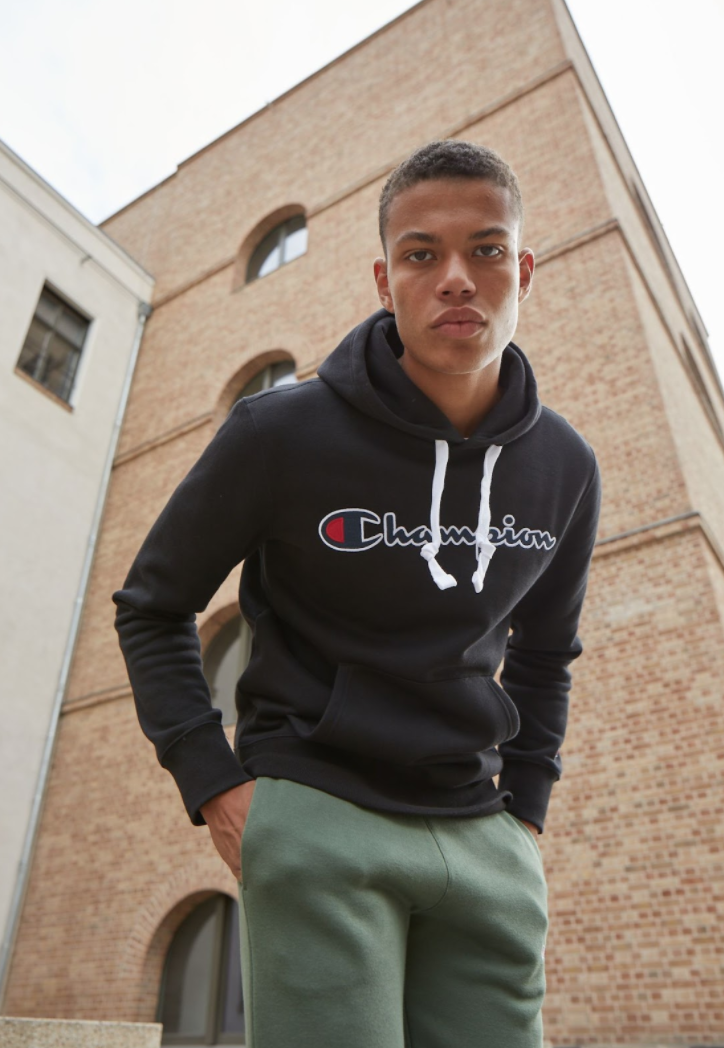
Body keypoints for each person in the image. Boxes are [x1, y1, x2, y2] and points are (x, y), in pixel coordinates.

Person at [113, 139, 601, 1048]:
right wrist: (214, 783)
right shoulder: (280, 432)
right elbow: (153, 603)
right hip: (318, 811)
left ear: (524, 270)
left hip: (482, 834)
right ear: (385, 281)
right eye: (421, 254)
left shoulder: (565, 465)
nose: (455, 278)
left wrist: (525, 818)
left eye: (486, 249)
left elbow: (546, 655)